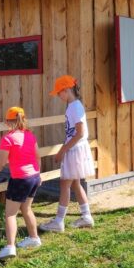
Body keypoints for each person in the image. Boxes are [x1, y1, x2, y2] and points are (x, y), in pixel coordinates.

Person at [0, 106, 42, 260]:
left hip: (20, 179)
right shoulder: (30, 135)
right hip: (33, 177)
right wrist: (38, 174)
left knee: (10, 214)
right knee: (26, 208)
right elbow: (38, 157)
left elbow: (0, 163)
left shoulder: (8, 138)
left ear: (7, 122)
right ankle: (34, 238)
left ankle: (10, 247)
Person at [40, 75, 96, 232]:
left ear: (66, 90)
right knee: (76, 183)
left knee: (65, 183)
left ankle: (58, 221)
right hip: (76, 148)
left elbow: (79, 133)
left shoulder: (74, 107)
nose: (58, 96)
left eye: (59, 93)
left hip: (74, 149)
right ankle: (86, 216)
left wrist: (62, 150)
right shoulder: (74, 105)